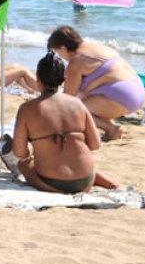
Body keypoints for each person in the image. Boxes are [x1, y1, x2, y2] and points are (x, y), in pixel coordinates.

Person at [12, 53, 117, 193]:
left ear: (38, 78)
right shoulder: (77, 104)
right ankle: (112, 184)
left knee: (23, 165)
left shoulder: (27, 109)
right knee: (77, 160)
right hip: (86, 181)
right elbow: (95, 144)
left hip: (51, 181)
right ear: (63, 79)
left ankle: (55, 189)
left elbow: (19, 152)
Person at [48, 25, 144, 141]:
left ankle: (112, 129)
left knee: (72, 110)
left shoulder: (76, 62)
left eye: (58, 52)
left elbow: (69, 97)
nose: (60, 56)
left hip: (123, 95)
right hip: (138, 89)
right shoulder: (95, 47)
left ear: (63, 48)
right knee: (85, 101)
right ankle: (113, 129)